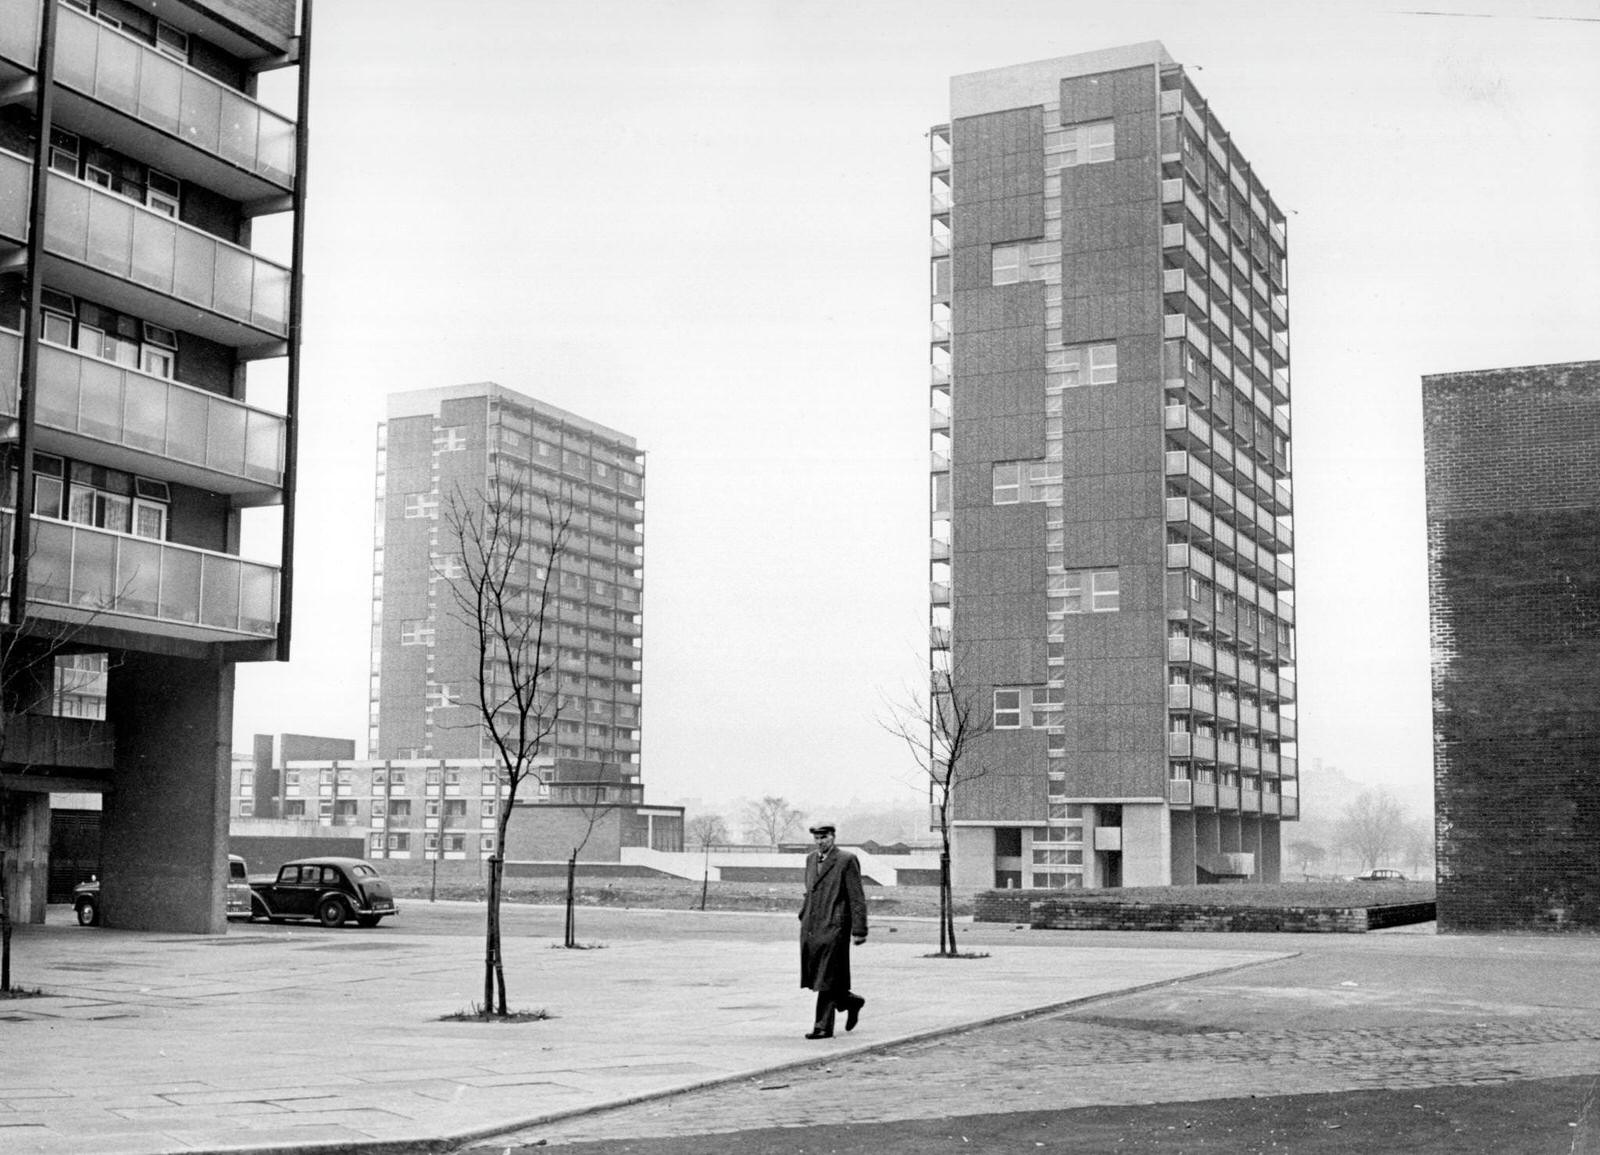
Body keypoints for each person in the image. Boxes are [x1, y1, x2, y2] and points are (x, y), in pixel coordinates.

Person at [797, 822, 867, 1039]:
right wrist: (803, 914)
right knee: (820, 974)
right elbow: (810, 890)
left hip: (834, 926)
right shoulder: (810, 859)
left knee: (826, 975)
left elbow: (856, 897)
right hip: (812, 925)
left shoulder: (846, 860)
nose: (820, 842)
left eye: (824, 837)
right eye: (817, 838)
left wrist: (859, 929)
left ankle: (823, 1027)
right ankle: (850, 1001)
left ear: (833, 837)